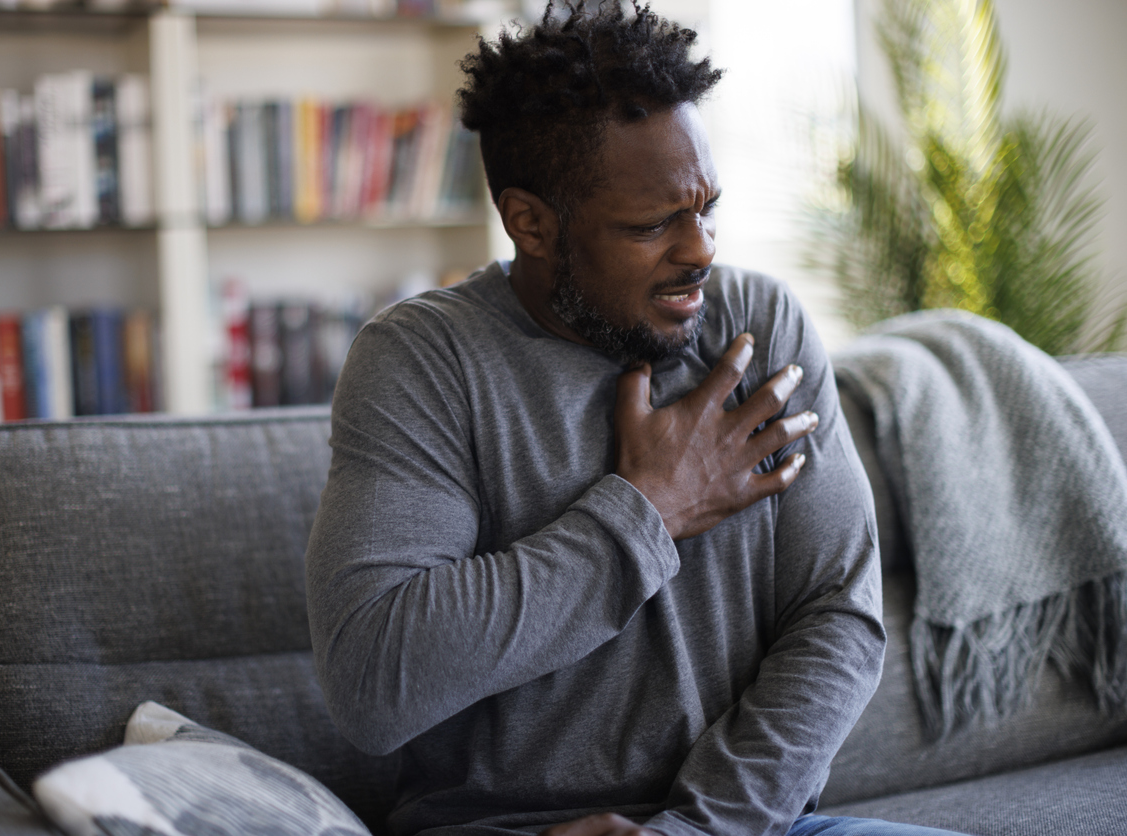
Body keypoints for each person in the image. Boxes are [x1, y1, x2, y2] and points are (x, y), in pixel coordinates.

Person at [306, 3, 963, 835]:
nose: (700, 250)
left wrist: (693, 830)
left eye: (706, 207)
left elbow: (837, 613)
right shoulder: (423, 361)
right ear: (530, 222)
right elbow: (374, 681)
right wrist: (646, 513)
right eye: (652, 224)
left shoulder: (757, 326)